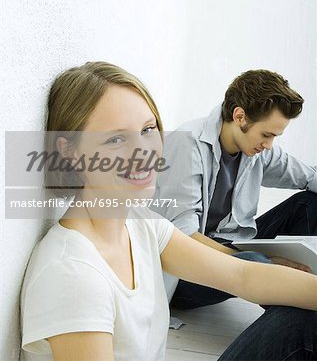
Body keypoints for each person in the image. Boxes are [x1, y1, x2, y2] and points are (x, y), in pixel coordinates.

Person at [20, 62, 317, 361]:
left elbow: (242, 275)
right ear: (70, 152)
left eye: (148, 129)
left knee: (301, 317)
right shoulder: (74, 275)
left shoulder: (142, 224)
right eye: (116, 139)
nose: (144, 152)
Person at [152, 69, 317, 310]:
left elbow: (309, 176)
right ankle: (290, 318)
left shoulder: (255, 150)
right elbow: (184, 235)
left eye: (275, 137)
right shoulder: (186, 145)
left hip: (227, 244)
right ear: (240, 116)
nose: (269, 145)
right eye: (266, 135)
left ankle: (292, 302)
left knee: (309, 204)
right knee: (256, 262)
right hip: (183, 268)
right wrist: (263, 265)